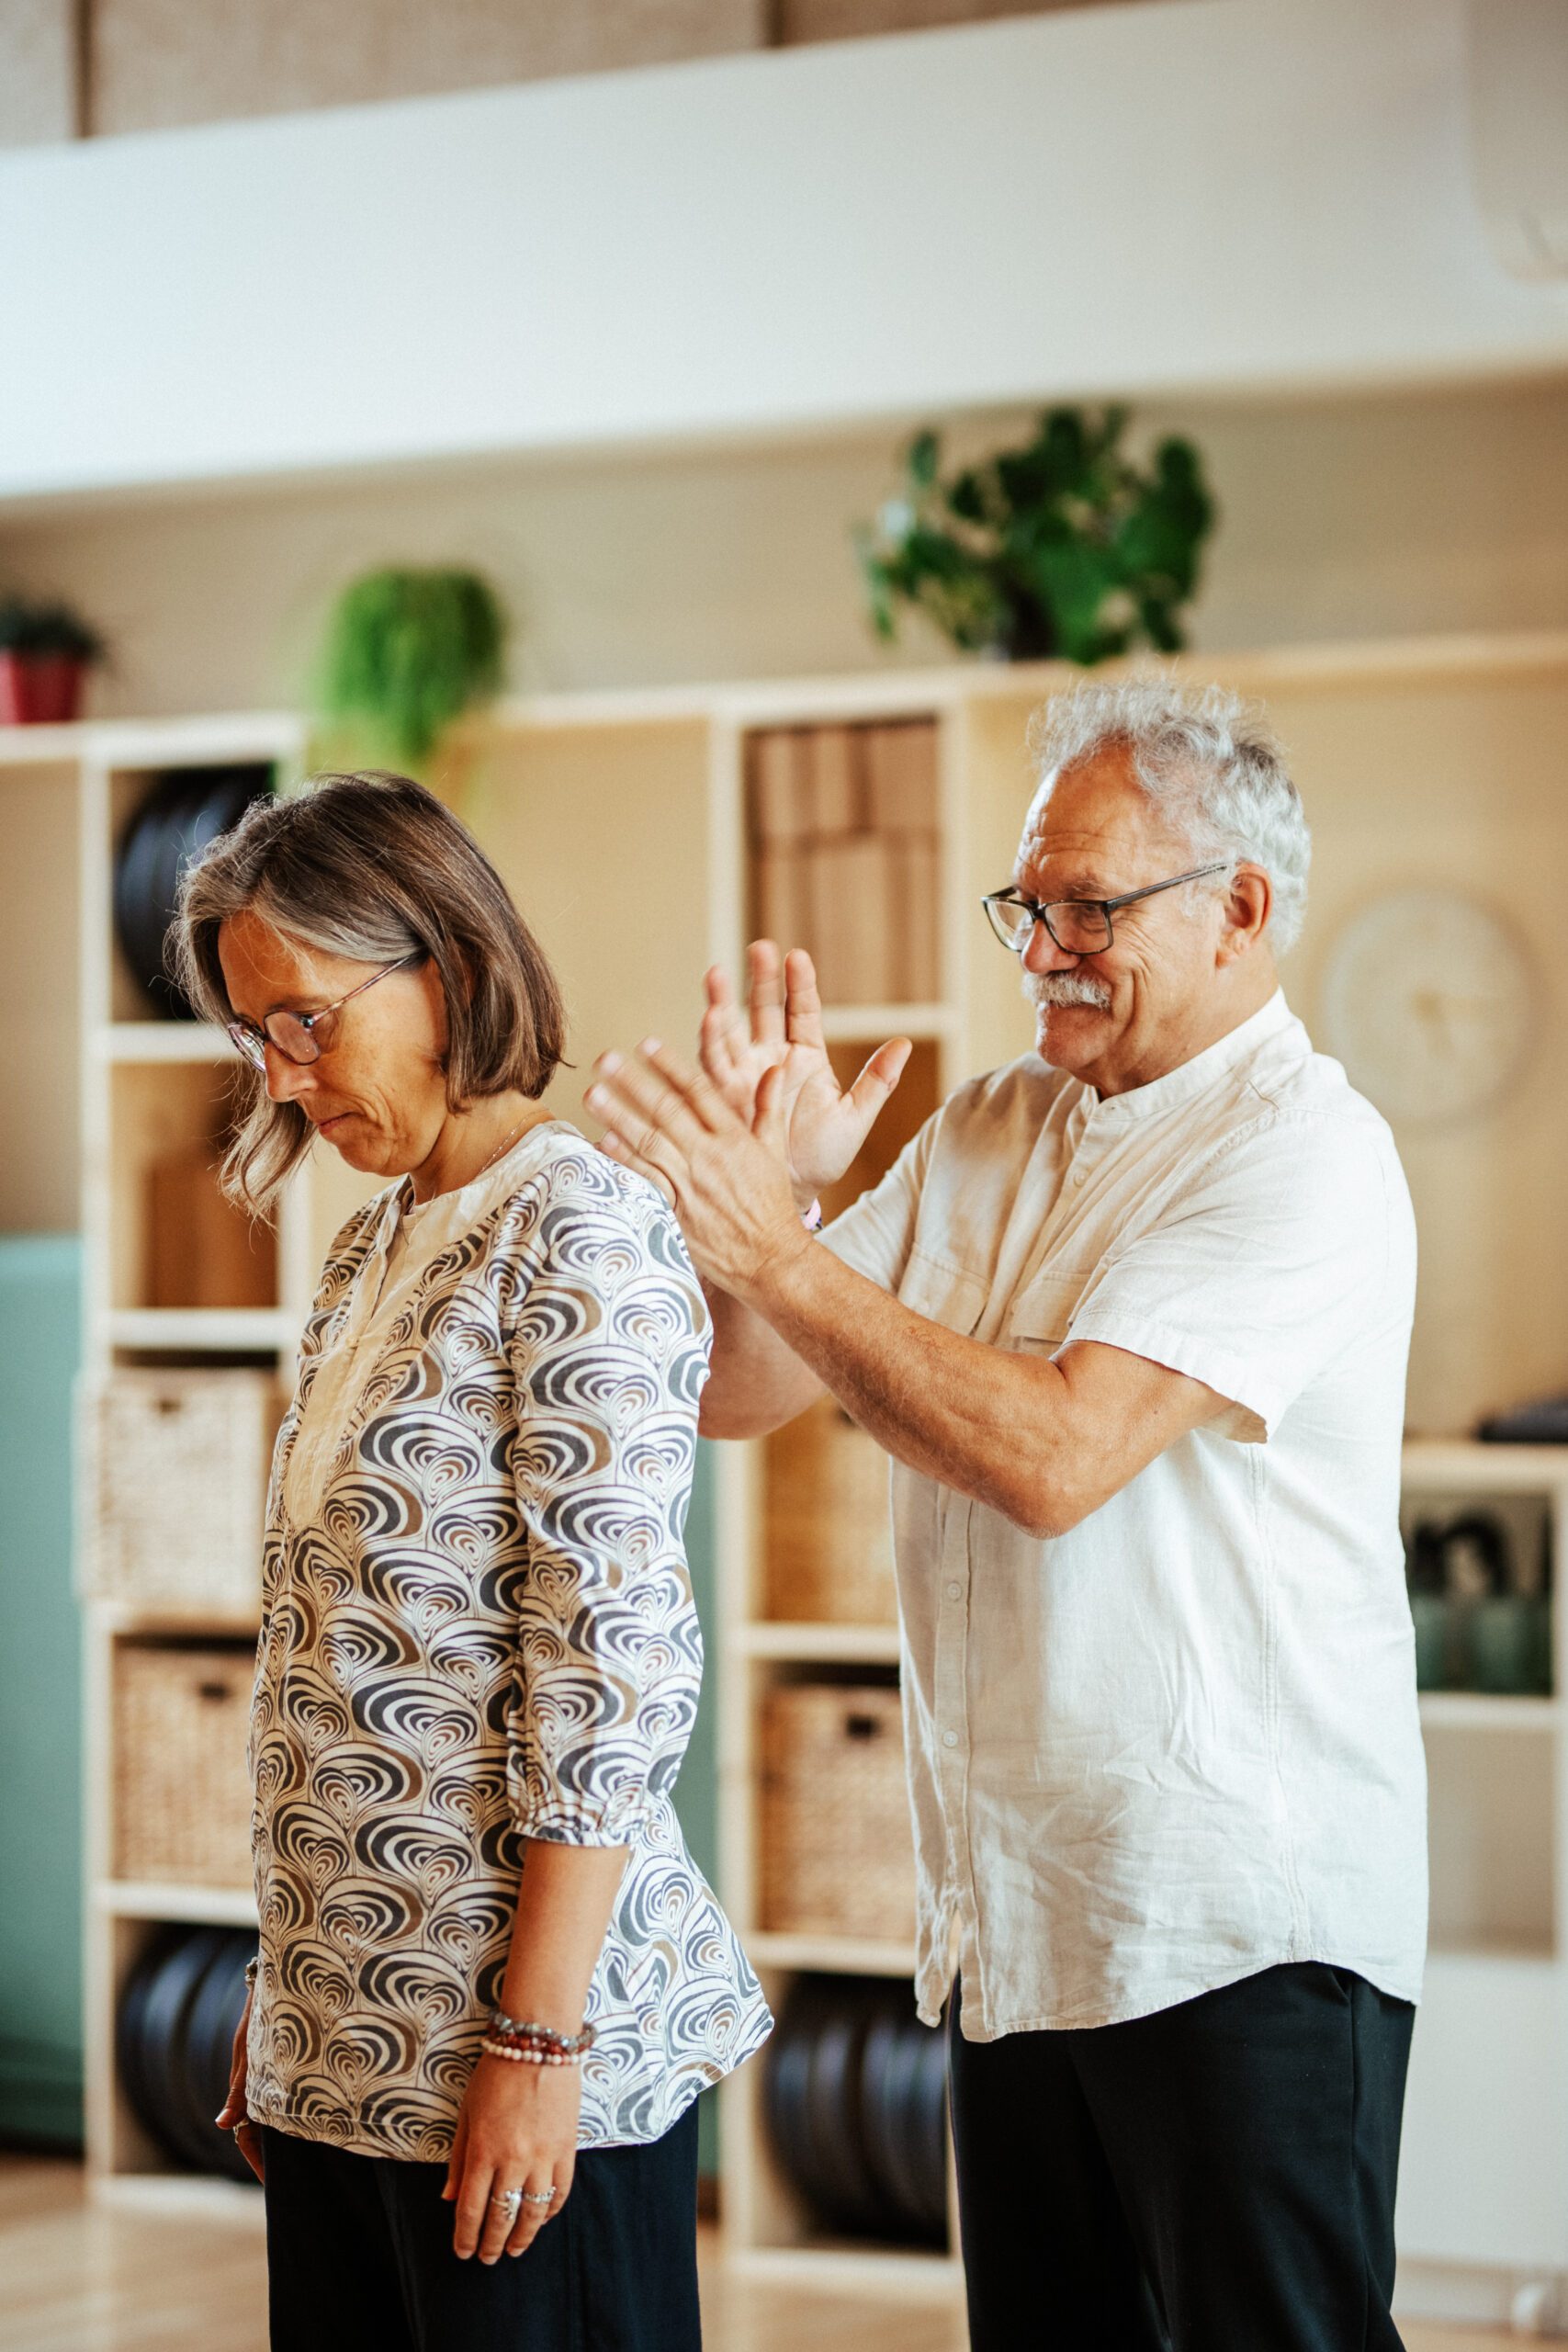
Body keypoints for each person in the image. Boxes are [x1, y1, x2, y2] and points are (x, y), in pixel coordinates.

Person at [584, 679, 1427, 2352]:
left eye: (1088, 908)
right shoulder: (991, 1123)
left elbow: (1054, 1458)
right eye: (1026, 906)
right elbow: (741, 1389)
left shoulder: (1305, 1151)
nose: (1040, 947)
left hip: (1233, 1926)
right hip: (1016, 1919)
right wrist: (792, 1198)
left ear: (1240, 911)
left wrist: (777, 1246)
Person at [175, 771, 768, 2352]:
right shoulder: (372, 1245)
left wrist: (536, 2043)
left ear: (440, 961)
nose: (287, 1080)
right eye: (255, 1038)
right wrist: (290, 1995)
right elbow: (342, 1665)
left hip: (515, 2050)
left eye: (306, 1020)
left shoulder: (581, 1228)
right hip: (346, 2038)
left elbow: (607, 1675)